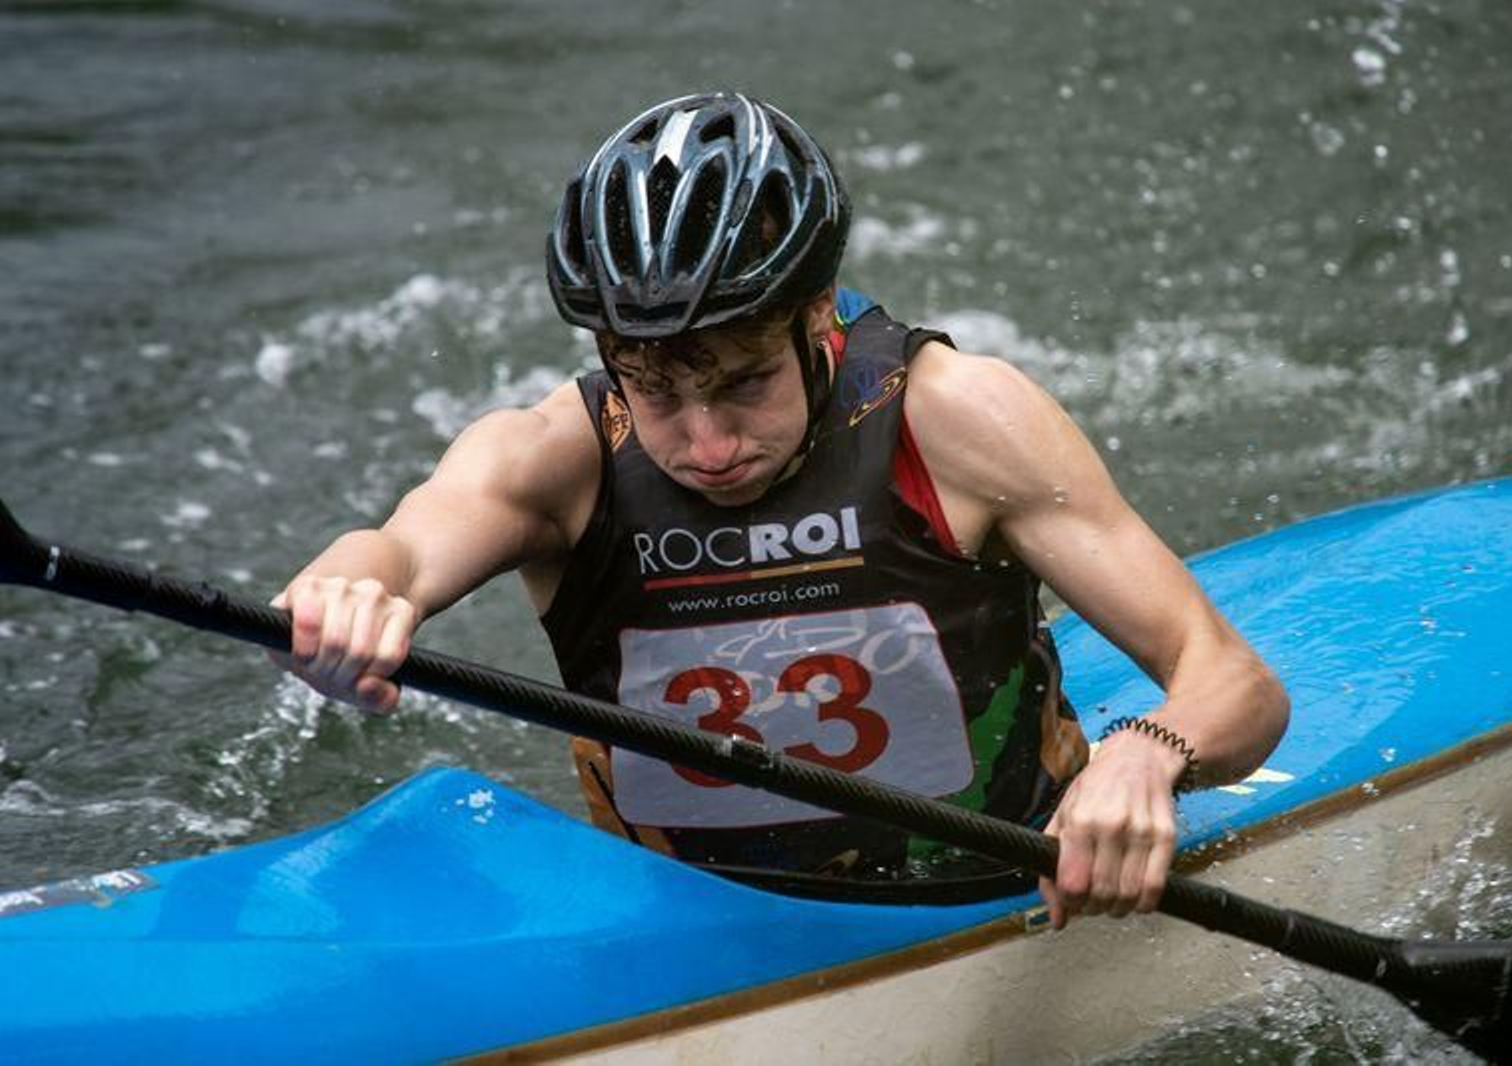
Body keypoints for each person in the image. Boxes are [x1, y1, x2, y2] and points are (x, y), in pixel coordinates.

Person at [271, 92, 1288, 925]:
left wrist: (1142, 756)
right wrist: (346, 591)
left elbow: (1234, 683)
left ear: (814, 317)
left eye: (746, 383)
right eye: (656, 393)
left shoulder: (957, 420)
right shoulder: (555, 458)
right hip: (684, 926)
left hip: (992, 897)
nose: (706, 443)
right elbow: (398, 548)